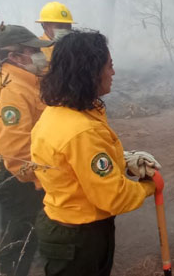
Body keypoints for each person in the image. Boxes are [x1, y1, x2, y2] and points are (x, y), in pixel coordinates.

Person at [31, 31, 161, 276]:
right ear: (89, 72)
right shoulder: (82, 131)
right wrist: (149, 186)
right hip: (79, 236)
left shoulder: (60, 112)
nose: (113, 73)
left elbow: (77, 167)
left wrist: (122, 161)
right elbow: (114, 197)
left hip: (64, 222)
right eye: (109, 66)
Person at [0, 24, 53, 276]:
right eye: (34, 51)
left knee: (26, 229)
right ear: (15, 57)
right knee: (19, 237)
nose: (40, 56)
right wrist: (48, 180)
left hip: (19, 174)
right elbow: (17, 155)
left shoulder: (25, 83)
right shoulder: (10, 92)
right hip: (17, 178)